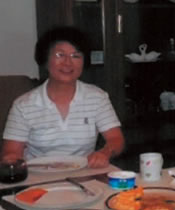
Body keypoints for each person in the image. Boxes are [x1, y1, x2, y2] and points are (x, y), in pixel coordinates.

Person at [1, 26, 124, 168]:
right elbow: (11, 152)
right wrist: (11, 160)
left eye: (75, 56)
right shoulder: (23, 105)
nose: (68, 63)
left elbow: (116, 140)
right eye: (60, 55)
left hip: (85, 175)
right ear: (45, 60)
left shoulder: (97, 97)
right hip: (39, 179)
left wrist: (105, 153)